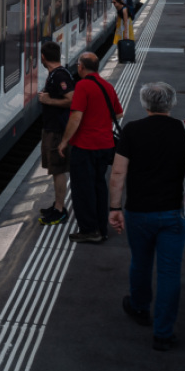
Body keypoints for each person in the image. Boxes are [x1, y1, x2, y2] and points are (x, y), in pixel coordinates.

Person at [109, 81, 185, 350]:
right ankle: (163, 333)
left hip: (139, 213)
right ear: (171, 103)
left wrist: (115, 208)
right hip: (176, 213)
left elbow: (118, 173)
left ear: (145, 104)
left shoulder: (132, 130)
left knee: (140, 262)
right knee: (169, 272)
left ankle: (139, 308)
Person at [58, 51, 122, 243]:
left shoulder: (83, 86)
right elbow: (118, 114)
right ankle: (101, 228)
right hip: (105, 146)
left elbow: (76, 117)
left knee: (83, 189)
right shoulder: (107, 86)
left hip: (85, 147)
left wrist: (64, 141)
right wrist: (100, 120)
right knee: (98, 186)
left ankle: (89, 230)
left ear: (81, 67)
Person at [36, 40, 76, 226]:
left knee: (58, 170)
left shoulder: (60, 75)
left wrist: (48, 100)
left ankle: (60, 210)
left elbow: (71, 100)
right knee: (54, 170)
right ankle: (57, 205)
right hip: (52, 128)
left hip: (57, 130)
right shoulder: (56, 74)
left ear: (43, 57)